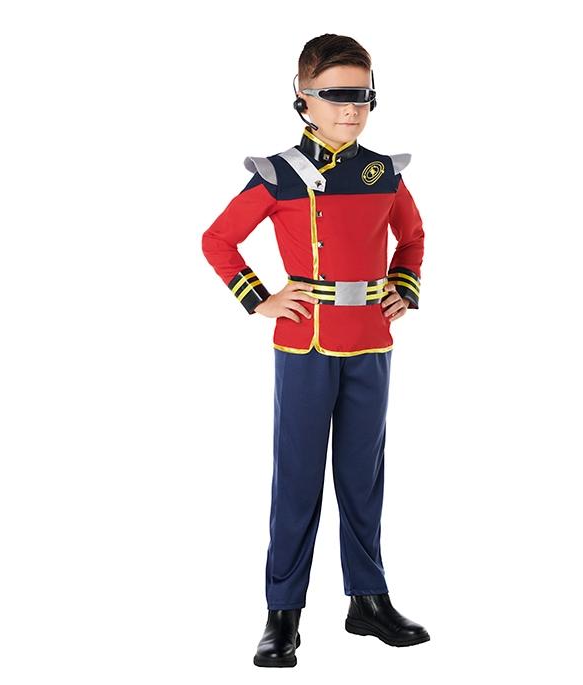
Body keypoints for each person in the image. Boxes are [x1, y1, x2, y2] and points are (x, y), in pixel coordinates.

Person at [201, 34, 430, 668]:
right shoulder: (278, 175)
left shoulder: (383, 172)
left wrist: (404, 286)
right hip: (305, 341)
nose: (351, 108)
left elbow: (412, 237)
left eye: (363, 95)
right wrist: (260, 298)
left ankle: (368, 600)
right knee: (298, 480)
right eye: (335, 95)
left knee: (363, 477)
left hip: (370, 341)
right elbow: (218, 240)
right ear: (303, 99)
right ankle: (283, 613)